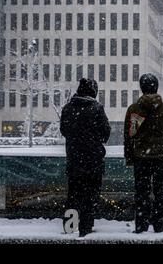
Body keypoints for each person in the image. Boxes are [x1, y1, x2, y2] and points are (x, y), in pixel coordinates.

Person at [124, 73, 163, 233]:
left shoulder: (135, 109)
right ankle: (159, 225)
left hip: (142, 158)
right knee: (161, 193)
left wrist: (129, 156)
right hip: (162, 158)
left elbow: (130, 135)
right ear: (156, 87)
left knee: (142, 193)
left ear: (142, 88)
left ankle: (141, 225)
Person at [60, 78, 111, 237]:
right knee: (90, 196)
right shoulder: (96, 108)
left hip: (74, 159)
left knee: (73, 195)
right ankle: (85, 228)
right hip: (93, 161)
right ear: (93, 91)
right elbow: (105, 133)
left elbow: (64, 130)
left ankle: (70, 227)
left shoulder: (68, 108)